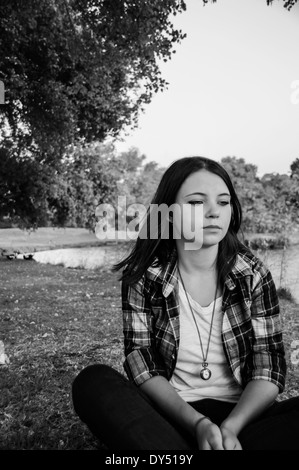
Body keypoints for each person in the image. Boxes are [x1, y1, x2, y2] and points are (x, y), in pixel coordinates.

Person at [72, 156, 299, 450]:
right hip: (170, 419)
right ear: (168, 214)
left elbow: (269, 365)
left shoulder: (253, 274)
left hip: (245, 422)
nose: (213, 213)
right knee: (93, 383)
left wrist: (230, 428)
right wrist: (197, 423)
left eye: (223, 202)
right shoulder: (144, 276)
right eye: (196, 203)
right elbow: (141, 362)